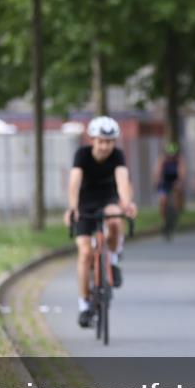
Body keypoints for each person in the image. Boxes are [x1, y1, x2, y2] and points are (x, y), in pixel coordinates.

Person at [64, 116, 138, 327]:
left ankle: (113, 260)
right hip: (85, 204)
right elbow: (74, 183)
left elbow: (123, 182)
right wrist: (72, 208)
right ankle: (83, 305)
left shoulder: (118, 156)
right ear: (92, 140)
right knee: (85, 253)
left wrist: (127, 203)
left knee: (115, 220)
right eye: (100, 141)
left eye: (109, 141)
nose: (105, 146)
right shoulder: (82, 155)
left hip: (107, 200)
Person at [155, 141, 186, 222]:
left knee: (178, 192)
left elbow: (182, 173)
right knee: (163, 200)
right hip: (165, 182)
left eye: (173, 155)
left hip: (175, 181)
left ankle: (177, 212)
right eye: (169, 155)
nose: (171, 157)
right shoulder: (163, 160)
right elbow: (158, 172)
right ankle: (163, 218)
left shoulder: (179, 160)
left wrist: (180, 182)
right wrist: (157, 181)